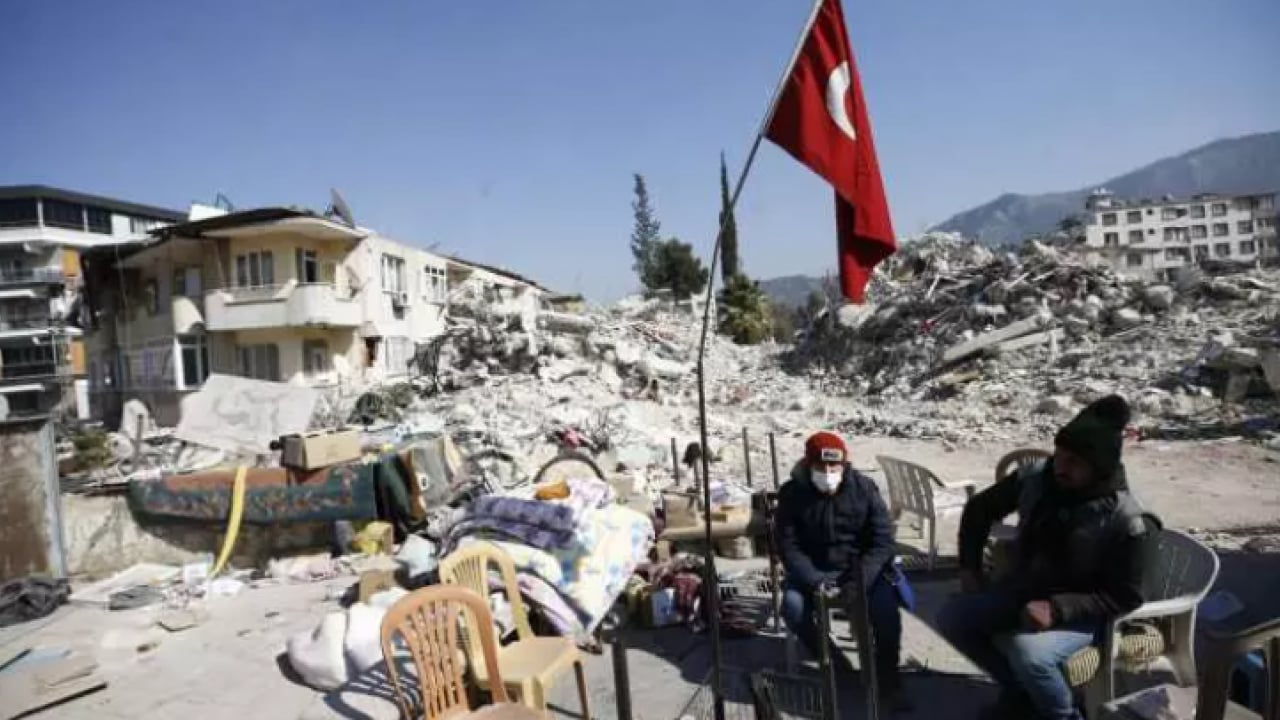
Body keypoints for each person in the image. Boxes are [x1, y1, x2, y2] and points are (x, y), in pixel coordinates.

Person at [937, 395, 1159, 720]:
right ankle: (1022, 694)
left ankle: (1063, 714)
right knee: (954, 618)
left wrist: (1058, 608)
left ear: (1098, 468)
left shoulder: (1129, 519)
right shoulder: (1038, 480)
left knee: (1030, 654)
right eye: (1059, 455)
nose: (1060, 467)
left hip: (1088, 615)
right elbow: (978, 510)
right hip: (1026, 593)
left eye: (1073, 462)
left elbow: (1128, 594)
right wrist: (969, 568)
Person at [775, 431, 909, 708]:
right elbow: (788, 546)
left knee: (887, 614)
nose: (827, 473)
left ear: (843, 464)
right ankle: (837, 665)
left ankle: (887, 680)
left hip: (860, 571)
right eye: (820, 466)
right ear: (809, 465)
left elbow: (883, 541)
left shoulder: (865, 489)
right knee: (792, 608)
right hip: (813, 570)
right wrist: (815, 580)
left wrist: (860, 580)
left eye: (833, 466)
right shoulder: (792, 494)